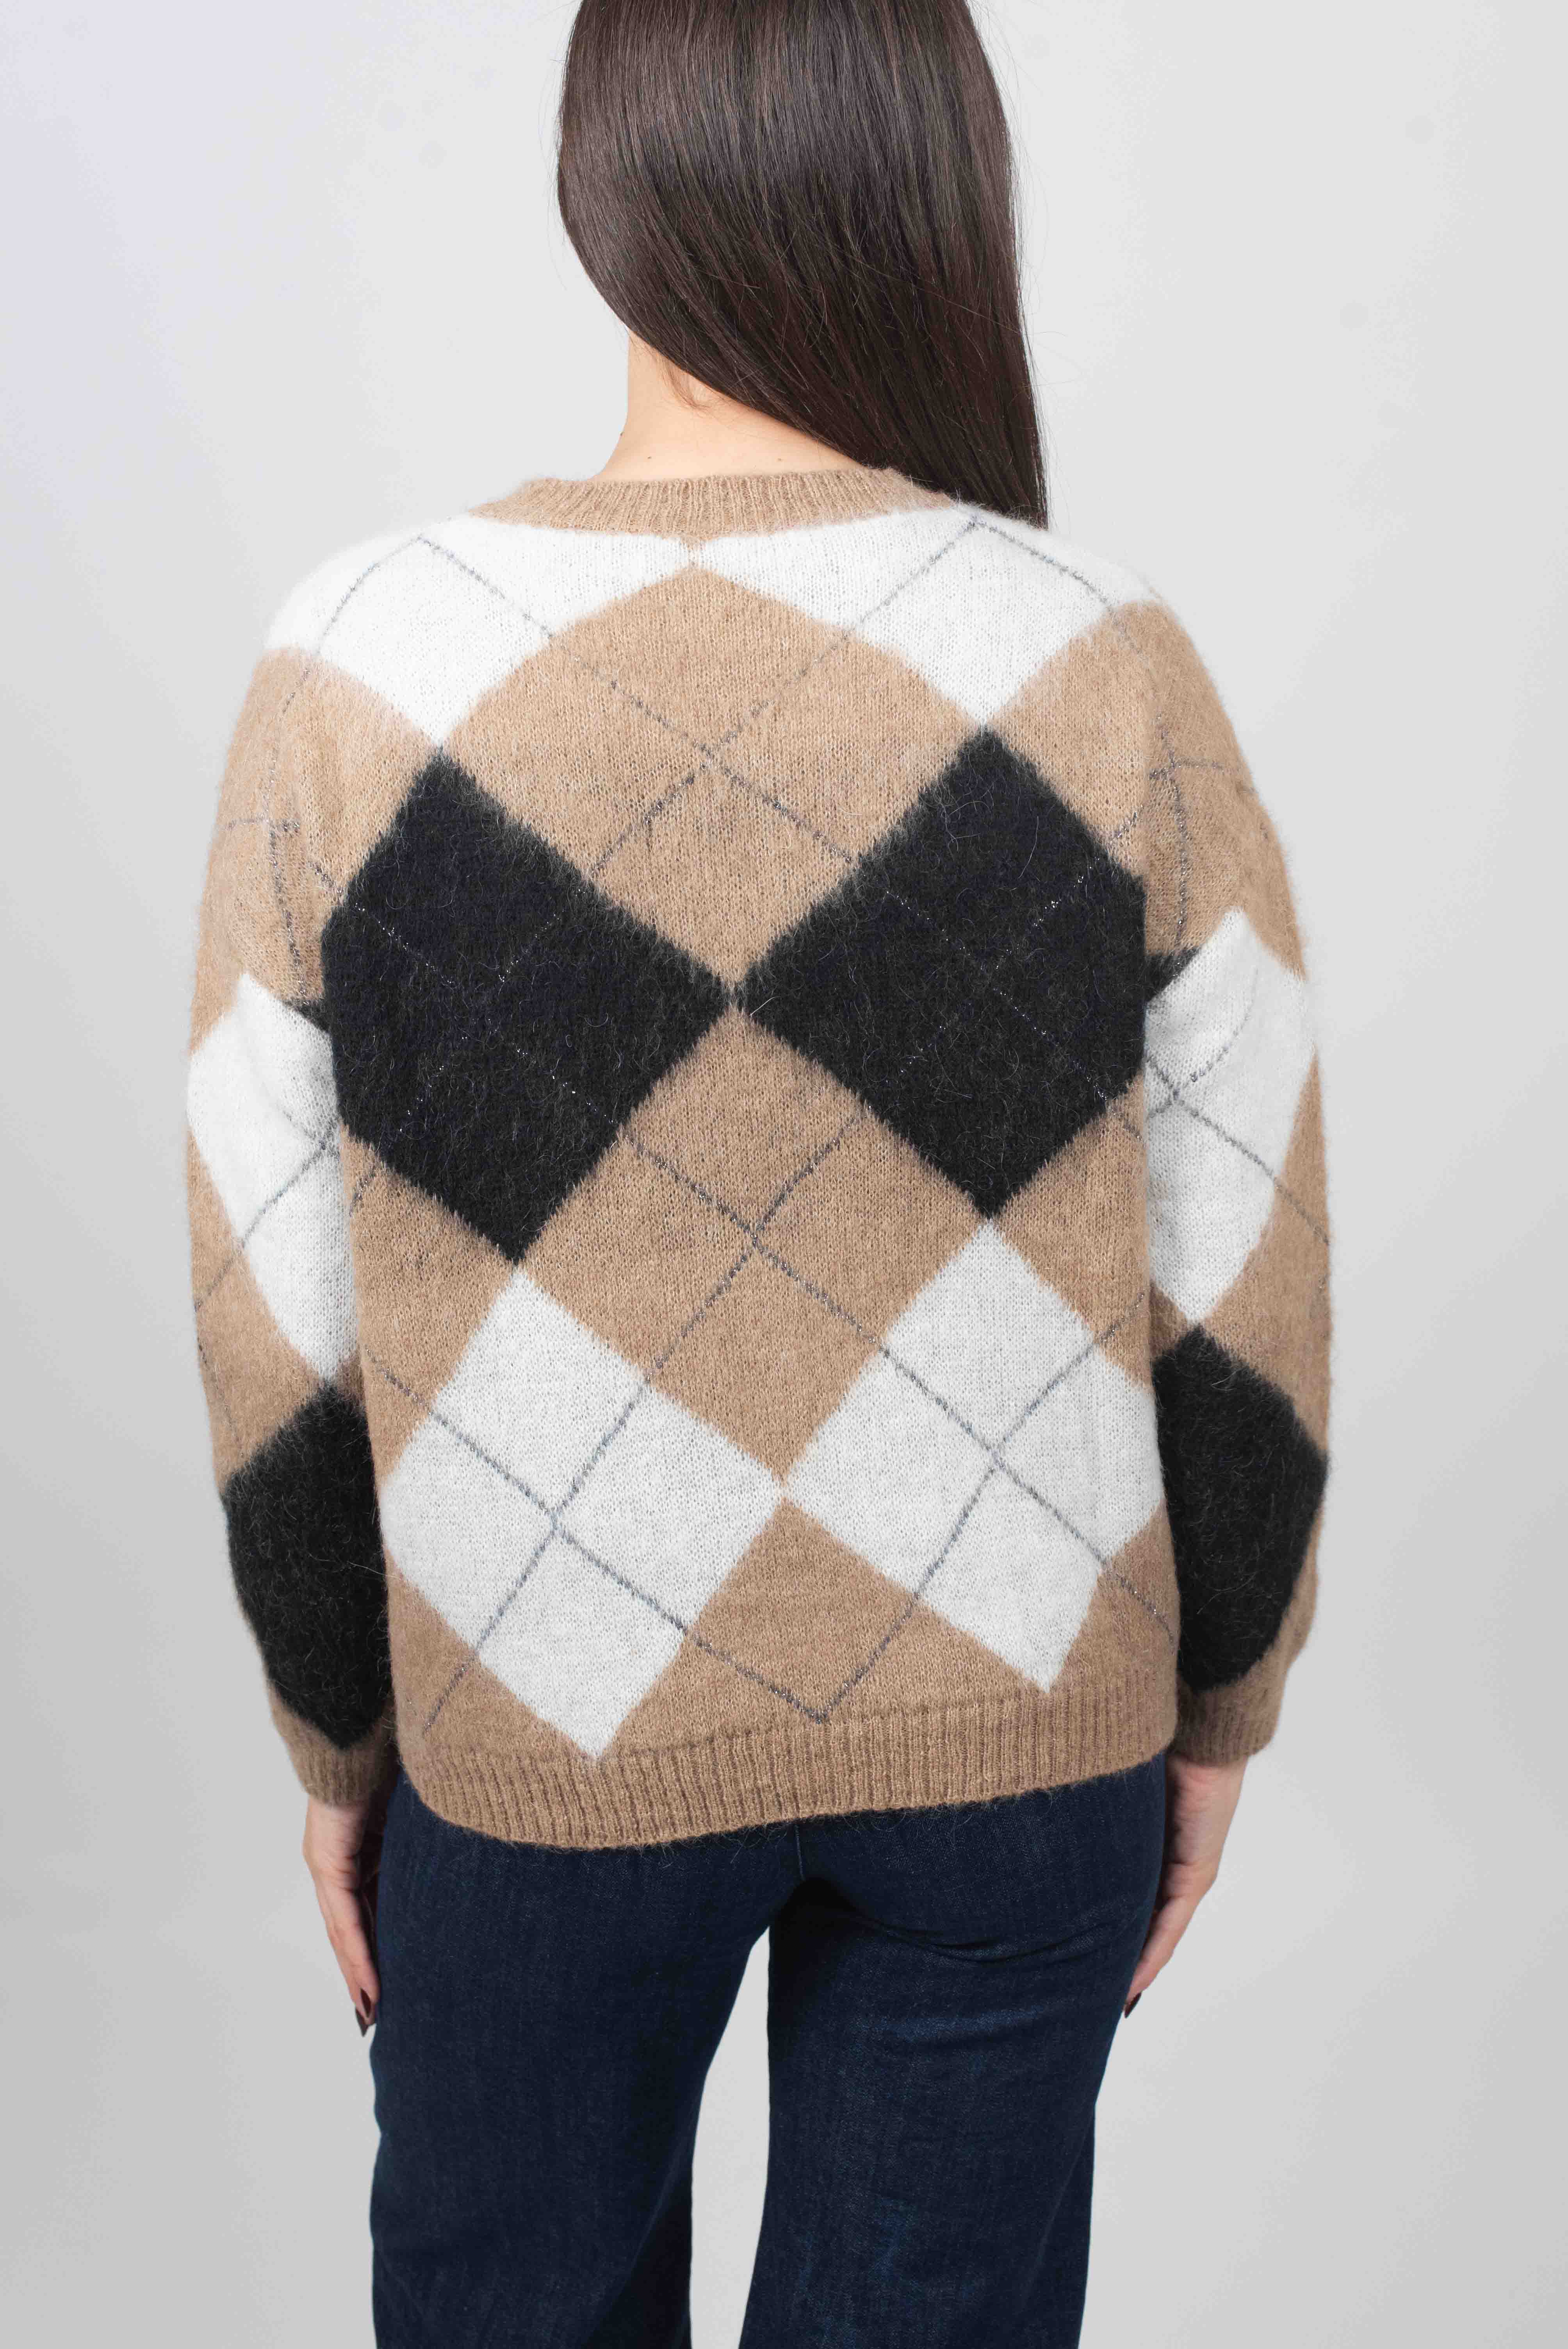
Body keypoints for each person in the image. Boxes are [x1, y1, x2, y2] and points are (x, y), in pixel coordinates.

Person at [184, 1, 1330, 2340]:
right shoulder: (1103, 656)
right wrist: (1224, 1704)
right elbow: (1249, 1268)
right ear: (939, 187)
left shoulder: (359, 664)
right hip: (1026, 1725)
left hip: (541, 1730)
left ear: (598, 190)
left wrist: (341, 1731)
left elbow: (268, 1302)